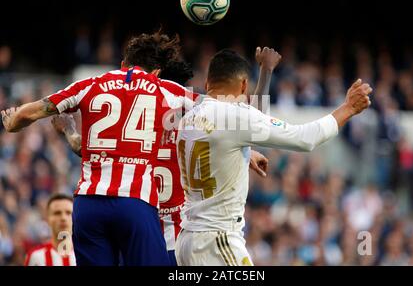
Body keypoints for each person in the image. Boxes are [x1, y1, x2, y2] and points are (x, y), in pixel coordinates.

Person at [50, 46, 280, 265]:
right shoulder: (192, 134)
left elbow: (88, 151)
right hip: (174, 241)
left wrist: (70, 131)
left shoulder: (136, 139)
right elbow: (250, 123)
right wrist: (266, 71)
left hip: (133, 235)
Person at [1, 30, 202, 266]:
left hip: (89, 206)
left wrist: (13, 122)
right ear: (156, 72)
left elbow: (33, 110)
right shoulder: (164, 89)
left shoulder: (91, 84)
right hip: (135, 205)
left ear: (122, 63)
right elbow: (221, 112)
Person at [175, 49, 373, 266]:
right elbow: (305, 138)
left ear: (207, 83)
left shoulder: (192, 115)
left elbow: (235, 133)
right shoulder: (235, 118)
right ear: (243, 85)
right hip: (217, 240)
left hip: (187, 240)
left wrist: (266, 72)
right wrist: (348, 108)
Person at [25, 194, 76, 266]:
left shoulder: (86, 255)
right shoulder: (36, 257)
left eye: (68, 213)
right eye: (57, 213)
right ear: (47, 219)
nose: (63, 218)